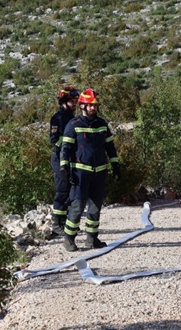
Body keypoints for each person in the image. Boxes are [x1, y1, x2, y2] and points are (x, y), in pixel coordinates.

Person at [60, 88, 120, 252]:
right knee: (77, 206)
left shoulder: (101, 124)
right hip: (80, 174)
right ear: (82, 106)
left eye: (95, 105)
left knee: (95, 207)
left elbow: (110, 146)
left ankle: (92, 239)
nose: (94, 108)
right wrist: (64, 167)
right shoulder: (73, 125)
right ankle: (69, 239)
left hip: (99, 172)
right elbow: (65, 148)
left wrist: (115, 164)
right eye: (90, 105)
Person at [48, 86, 79, 239]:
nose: (75, 104)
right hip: (60, 158)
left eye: (76, 101)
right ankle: (56, 226)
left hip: (72, 159)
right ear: (64, 102)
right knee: (62, 191)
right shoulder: (58, 118)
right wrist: (68, 144)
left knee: (69, 192)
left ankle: (65, 222)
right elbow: (54, 139)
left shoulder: (74, 118)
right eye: (72, 101)